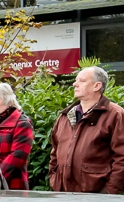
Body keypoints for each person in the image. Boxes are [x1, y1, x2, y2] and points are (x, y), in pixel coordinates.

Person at [50, 66, 124, 194]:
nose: (75, 84)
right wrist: (54, 179)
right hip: (63, 195)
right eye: (76, 80)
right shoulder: (65, 116)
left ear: (97, 86)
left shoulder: (115, 114)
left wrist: (109, 192)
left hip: (97, 198)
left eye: (82, 81)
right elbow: (54, 152)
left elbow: (122, 157)